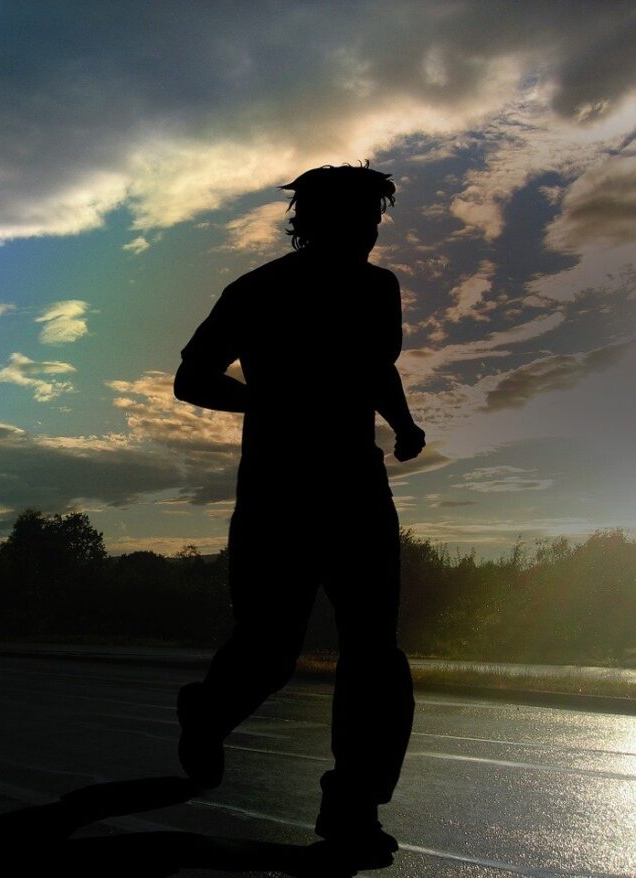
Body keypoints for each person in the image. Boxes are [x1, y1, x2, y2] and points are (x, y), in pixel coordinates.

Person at [173, 163, 425, 867]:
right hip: (278, 492)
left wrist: (403, 425)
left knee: (374, 651)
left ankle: (352, 809)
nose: (370, 232)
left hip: (356, 487)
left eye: (375, 220)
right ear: (314, 224)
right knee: (268, 648)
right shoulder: (258, 291)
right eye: (358, 219)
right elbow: (192, 378)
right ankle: (210, 711)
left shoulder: (379, 289)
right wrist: (266, 403)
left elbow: (379, 368)